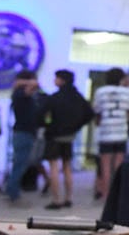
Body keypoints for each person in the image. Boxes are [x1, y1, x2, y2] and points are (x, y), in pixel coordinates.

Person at [39, 69, 94, 209]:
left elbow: (41, 114)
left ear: (61, 80)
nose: (54, 80)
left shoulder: (54, 98)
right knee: (67, 166)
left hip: (54, 136)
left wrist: (48, 125)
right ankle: (68, 198)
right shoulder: (77, 97)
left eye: (56, 78)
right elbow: (90, 113)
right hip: (69, 136)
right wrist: (76, 126)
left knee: (54, 168)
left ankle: (56, 200)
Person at [92, 67, 129, 202]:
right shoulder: (127, 93)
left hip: (106, 133)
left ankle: (106, 195)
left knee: (105, 166)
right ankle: (117, 195)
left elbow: (97, 113)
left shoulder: (100, 92)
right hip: (121, 133)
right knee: (118, 166)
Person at [4, 69, 42, 205]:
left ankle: (11, 190)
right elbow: (28, 85)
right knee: (20, 165)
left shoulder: (23, 95)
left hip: (24, 133)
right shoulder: (20, 94)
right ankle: (13, 193)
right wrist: (29, 82)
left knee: (19, 164)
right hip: (23, 133)